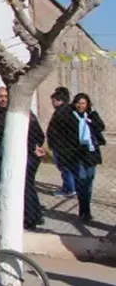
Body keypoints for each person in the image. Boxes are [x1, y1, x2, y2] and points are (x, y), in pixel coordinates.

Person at [51, 93, 105, 221]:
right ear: (74, 103)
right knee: (81, 180)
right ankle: (84, 210)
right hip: (75, 154)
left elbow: (101, 127)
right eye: (78, 103)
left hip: (90, 153)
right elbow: (60, 133)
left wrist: (92, 114)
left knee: (89, 180)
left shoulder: (90, 115)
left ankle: (86, 208)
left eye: (83, 103)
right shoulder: (69, 116)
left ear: (87, 105)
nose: (81, 106)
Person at [46, 87, 77, 197]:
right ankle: (72, 187)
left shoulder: (61, 112)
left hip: (61, 146)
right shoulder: (68, 110)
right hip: (65, 146)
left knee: (65, 168)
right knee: (68, 168)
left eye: (53, 100)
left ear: (59, 100)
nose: (52, 103)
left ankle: (69, 190)